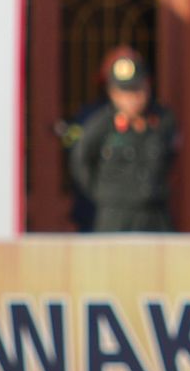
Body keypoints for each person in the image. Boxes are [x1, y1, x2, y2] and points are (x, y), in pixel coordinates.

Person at [70, 48, 178, 233]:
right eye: (125, 93)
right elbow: (82, 161)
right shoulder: (100, 125)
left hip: (154, 214)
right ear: (113, 93)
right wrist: (105, 194)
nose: (132, 99)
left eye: (137, 91)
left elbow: (171, 157)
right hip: (114, 216)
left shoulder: (163, 121)